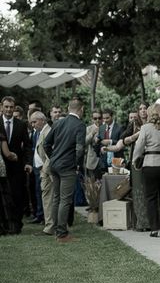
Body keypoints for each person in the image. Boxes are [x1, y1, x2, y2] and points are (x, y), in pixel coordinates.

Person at [44, 97, 86, 243]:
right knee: (65, 200)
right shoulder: (80, 125)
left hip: (54, 165)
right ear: (81, 109)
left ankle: (57, 229)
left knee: (56, 198)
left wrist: (53, 157)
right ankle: (62, 234)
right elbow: (80, 149)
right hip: (67, 166)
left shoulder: (59, 122)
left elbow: (46, 144)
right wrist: (77, 165)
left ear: (68, 109)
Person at [132, 104, 160, 238]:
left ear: (151, 114)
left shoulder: (146, 128)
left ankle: (154, 228)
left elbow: (139, 147)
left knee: (151, 197)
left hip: (151, 164)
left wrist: (135, 160)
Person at [2, 96, 32, 234]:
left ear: (14, 108)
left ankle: (16, 225)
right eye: (6, 106)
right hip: (0, 165)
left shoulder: (21, 125)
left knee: (17, 196)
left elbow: (27, 146)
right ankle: (3, 226)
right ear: (2, 106)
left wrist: (27, 163)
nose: (8, 110)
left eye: (11, 107)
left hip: (17, 166)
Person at [32, 112, 54, 235]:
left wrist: (44, 171)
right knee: (48, 198)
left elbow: (51, 155)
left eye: (34, 122)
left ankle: (50, 227)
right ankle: (50, 225)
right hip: (45, 171)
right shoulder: (42, 132)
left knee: (48, 199)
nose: (32, 125)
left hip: (47, 172)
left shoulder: (47, 132)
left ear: (42, 120)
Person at [94, 108, 124, 179]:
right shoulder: (101, 128)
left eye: (107, 118)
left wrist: (110, 141)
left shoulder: (120, 128)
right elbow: (98, 144)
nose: (105, 120)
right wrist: (97, 142)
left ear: (112, 116)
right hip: (103, 162)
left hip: (116, 161)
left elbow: (123, 143)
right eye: (104, 118)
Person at [0, 124, 18, 235]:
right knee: (3, 197)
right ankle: (6, 225)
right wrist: (15, 156)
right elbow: (7, 154)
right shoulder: (1, 136)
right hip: (0, 168)